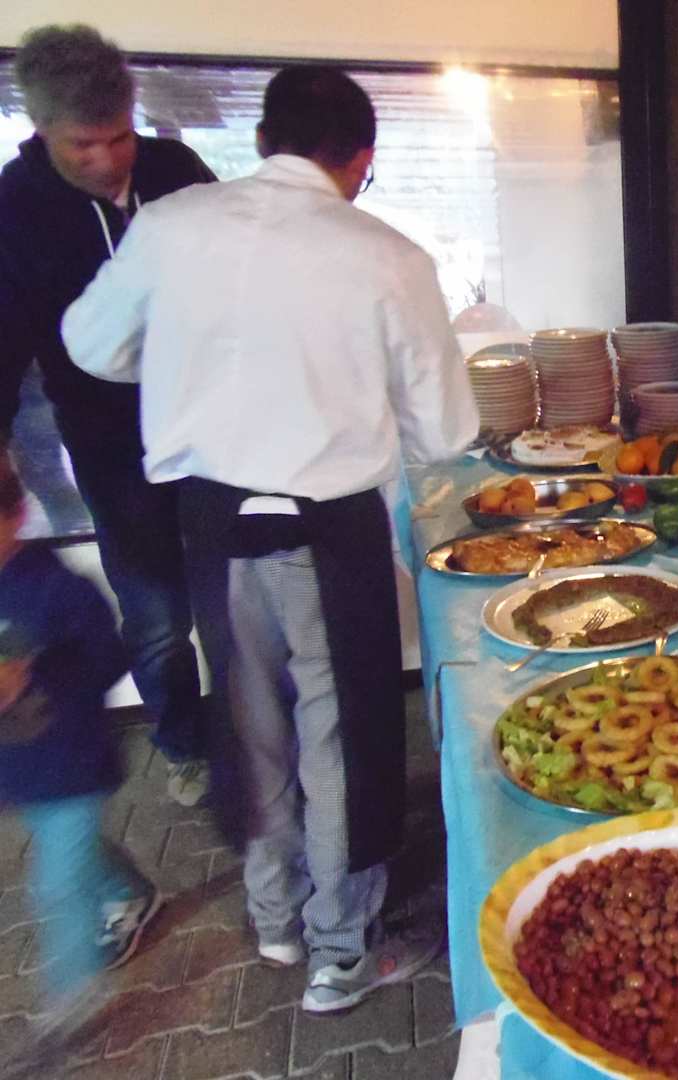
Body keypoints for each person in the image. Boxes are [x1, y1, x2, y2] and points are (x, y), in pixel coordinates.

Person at [62, 65, 480, 1014]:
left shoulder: (171, 227)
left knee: (249, 724)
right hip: (329, 528)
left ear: (261, 141)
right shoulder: (387, 255)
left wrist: (184, 364)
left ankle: (277, 923)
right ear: (361, 159)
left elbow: (90, 343)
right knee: (339, 736)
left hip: (211, 521)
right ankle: (343, 950)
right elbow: (447, 429)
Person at [0, 25, 219, 807]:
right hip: (109, 443)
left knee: (237, 596)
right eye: (82, 144)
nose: (106, 159)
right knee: (156, 615)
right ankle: (183, 743)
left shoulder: (178, 172)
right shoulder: (15, 206)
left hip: (213, 427)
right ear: (41, 128)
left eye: (119, 137)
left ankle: (252, 735)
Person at [0, 455, 160, 1049]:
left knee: (56, 884)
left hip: (70, 762)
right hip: (19, 768)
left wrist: (40, 674)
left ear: (16, 516)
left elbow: (111, 659)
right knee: (73, 848)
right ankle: (130, 891)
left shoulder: (57, 589)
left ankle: (70, 1001)